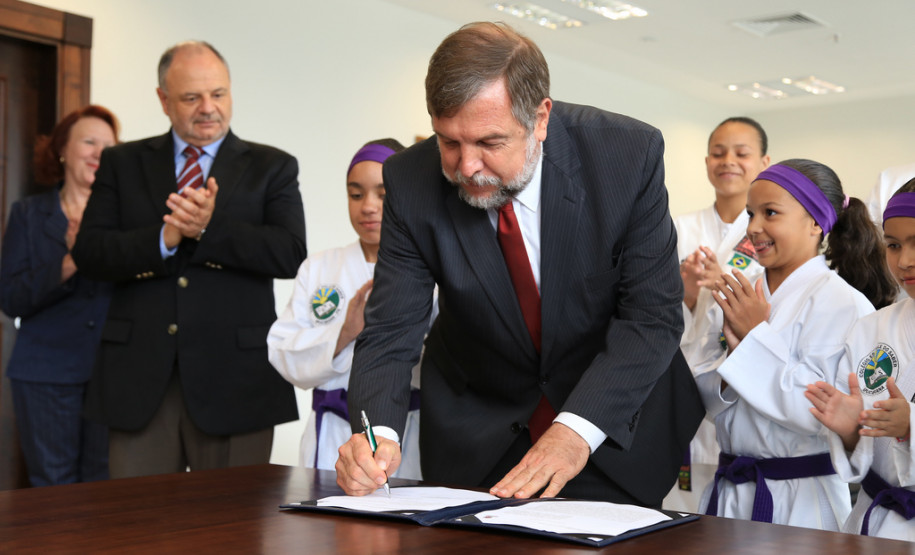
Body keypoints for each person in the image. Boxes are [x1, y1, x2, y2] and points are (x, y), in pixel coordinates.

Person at [335, 22, 704, 506]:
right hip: (477, 432)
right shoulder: (410, 179)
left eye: (489, 143)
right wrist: (376, 434)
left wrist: (574, 432)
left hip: (610, 428)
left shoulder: (625, 155)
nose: (466, 166)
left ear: (541, 118)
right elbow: (390, 330)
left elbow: (652, 317)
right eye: (449, 142)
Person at [71, 41, 307, 478]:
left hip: (237, 381)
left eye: (218, 94)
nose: (208, 108)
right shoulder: (122, 163)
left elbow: (289, 254)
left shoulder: (272, 166)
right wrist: (165, 237)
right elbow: (90, 254)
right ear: (163, 100)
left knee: (234, 532)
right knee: (139, 530)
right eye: (191, 97)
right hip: (139, 380)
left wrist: (208, 230)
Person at [697, 159, 897, 530]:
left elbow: (820, 410)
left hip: (800, 499)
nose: (753, 228)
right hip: (728, 490)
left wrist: (753, 341)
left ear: (816, 223)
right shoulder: (737, 290)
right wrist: (730, 366)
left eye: (770, 213)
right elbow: (700, 388)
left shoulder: (844, 304)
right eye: (751, 213)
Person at [268, 138, 428, 478]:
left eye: (383, 194)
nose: (368, 206)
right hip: (331, 437)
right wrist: (344, 332)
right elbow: (281, 352)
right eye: (356, 194)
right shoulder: (320, 268)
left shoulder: (430, 269)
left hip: (405, 431)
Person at [0, 106, 118, 486]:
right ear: (63, 150)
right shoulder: (29, 215)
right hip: (44, 373)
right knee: (53, 489)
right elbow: (12, 297)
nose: (99, 153)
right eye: (89, 142)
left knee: (108, 489)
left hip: (112, 372)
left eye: (109, 146)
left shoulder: (127, 219)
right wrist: (71, 260)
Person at [666, 117, 770, 512]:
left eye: (742, 153)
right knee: (680, 507)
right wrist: (688, 290)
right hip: (682, 378)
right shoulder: (678, 227)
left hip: (737, 385)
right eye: (718, 152)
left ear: (764, 161)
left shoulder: (769, 235)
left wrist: (722, 281)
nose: (728, 161)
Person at [806, 177, 915, 540]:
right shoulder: (872, 328)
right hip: (875, 522)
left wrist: (911, 424)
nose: (905, 261)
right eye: (894, 245)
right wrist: (851, 430)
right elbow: (859, 449)